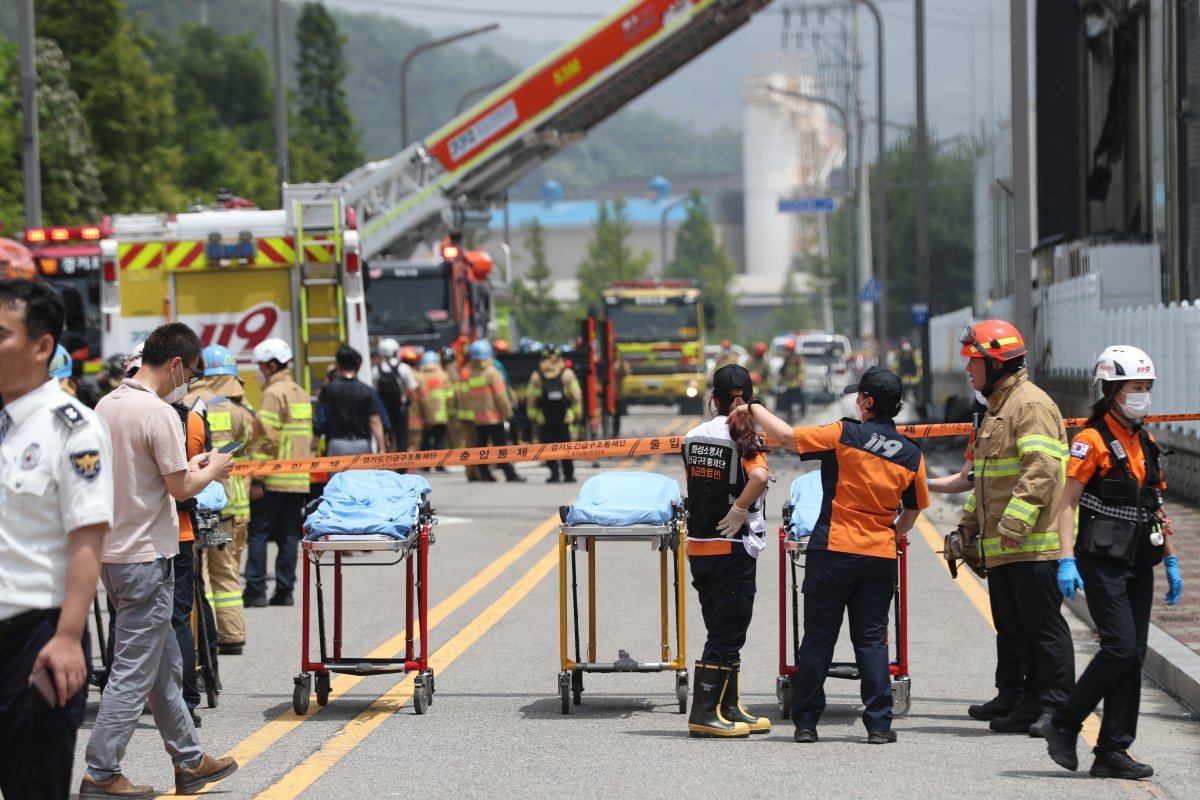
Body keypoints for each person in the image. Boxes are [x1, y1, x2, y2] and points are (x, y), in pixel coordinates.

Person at [736, 365, 929, 745]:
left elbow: (789, 437)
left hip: (834, 549)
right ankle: (878, 726)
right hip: (878, 556)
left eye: (860, 395)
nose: (856, 400)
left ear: (868, 402)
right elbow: (915, 508)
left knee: (819, 639)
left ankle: (807, 724)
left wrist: (753, 407)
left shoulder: (844, 433)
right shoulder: (911, 454)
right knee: (872, 641)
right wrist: (892, 535)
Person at [83, 322, 237, 798]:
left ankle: (190, 761)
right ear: (175, 364)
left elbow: (141, 475)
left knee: (163, 667)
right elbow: (180, 488)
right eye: (189, 372)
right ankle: (102, 771)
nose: (187, 382)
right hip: (147, 556)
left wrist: (186, 471)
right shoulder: (159, 413)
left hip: (114, 552)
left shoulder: (105, 405)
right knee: (132, 671)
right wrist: (213, 469)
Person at [1042, 346, 1185, 780]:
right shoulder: (1090, 440)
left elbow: (1155, 504)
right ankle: (1065, 721)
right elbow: (1066, 505)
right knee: (1119, 646)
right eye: (1134, 388)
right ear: (1111, 391)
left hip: (1140, 561)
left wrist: (1172, 561)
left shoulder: (1146, 440)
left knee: (1134, 655)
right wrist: (1066, 561)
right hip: (1100, 561)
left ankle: (1112, 751)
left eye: (1146, 387)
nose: (1142, 395)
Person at [0, 279, 111, 799]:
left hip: (34, 641)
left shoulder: (73, 429)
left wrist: (67, 637)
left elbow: (87, 539)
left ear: (42, 346)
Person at [952, 319, 1074, 737]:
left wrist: (1016, 521)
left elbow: (1041, 471)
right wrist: (969, 521)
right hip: (1004, 545)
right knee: (1012, 626)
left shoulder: (1030, 406)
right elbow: (988, 478)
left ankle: (1056, 707)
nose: (968, 371)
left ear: (997, 362)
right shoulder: (998, 409)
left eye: (974, 362)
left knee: (1043, 629)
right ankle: (1019, 700)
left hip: (1031, 545)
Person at [682, 364, 770, 739]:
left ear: (712, 399)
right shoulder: (746, 434)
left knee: (719, 626)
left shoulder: (691, 436)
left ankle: (728, 705)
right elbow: (760, 477)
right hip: (733, 546)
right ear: (747, 399)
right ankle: (704, 712)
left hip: (699, 544)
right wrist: (740, 510)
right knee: (729, 632)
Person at [185, 344, 255, 656]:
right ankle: (231, 635)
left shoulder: (182, 404)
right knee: (225, 572)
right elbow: (252, 439)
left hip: (193, 500)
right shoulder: (235, 409)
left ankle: (197, 641)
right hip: (226, 504)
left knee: (192, 577)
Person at [245, 338, 312, 608]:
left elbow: (266, 439)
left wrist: (258, 476)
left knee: (259, 534)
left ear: (272, 365)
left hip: (273, 477)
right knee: (288, 536)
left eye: (261, 366)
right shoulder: (299, 391)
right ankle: (285, 590)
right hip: (298, 478)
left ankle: (256, 590)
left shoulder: (273, 394)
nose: (258, 372)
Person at [465, 338, 526, 483]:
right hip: (494, 417)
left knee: (481, 449)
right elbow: (501, 396)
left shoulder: (472, 373)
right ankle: (509, 474)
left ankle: (484, 474)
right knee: (501, 448)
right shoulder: (492, 372)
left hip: (479, 418)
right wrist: (508, 413)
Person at [527, 343, 582, 483]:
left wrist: (532, 418)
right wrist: (577, 415)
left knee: (548, 449)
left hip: (544, 419)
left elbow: (531, 400)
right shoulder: (567, 374)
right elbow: (576, 397)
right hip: (565, 418)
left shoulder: (536, 376)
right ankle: (568, 475)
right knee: (567, 448)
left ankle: (554, 474)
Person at [317, 345, 385, 457]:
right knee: (362, 475)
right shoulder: (367, 390)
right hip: (362, 445)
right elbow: (374, 420)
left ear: (338, 364)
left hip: (337, 444)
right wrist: (381, 447)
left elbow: (320, 416)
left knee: (338, 475)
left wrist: (315, 441)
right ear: (358, 365)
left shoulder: (329, 389)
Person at [373, 338, 416, 452]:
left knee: (386, 438)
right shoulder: (404, 368)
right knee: (402, 438)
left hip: (383, 410)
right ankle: (402, 467)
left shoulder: (376, 370)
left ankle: (387, 465)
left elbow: (374, 391)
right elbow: (412, 390)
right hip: (400, 408)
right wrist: (409, 402)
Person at [415, 349, 451, 457]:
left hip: (423, 414)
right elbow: (450, 396)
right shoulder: (444, 375)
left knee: (425, 439)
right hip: (441, 414)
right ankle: (440, 464)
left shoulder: (419, 376)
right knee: (440, 439)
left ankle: (426, 465)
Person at [777, 340, 807, 422]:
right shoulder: (785, 361)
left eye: (789, 350)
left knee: (800, 400)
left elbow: (802, 370)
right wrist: (781, 382)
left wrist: (800, 379)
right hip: (787, 385)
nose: (788, 352)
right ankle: (790, 417)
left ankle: (803, 412)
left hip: (796, 384)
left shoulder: (798, 359)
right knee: (788, 403)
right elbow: (783, 372)